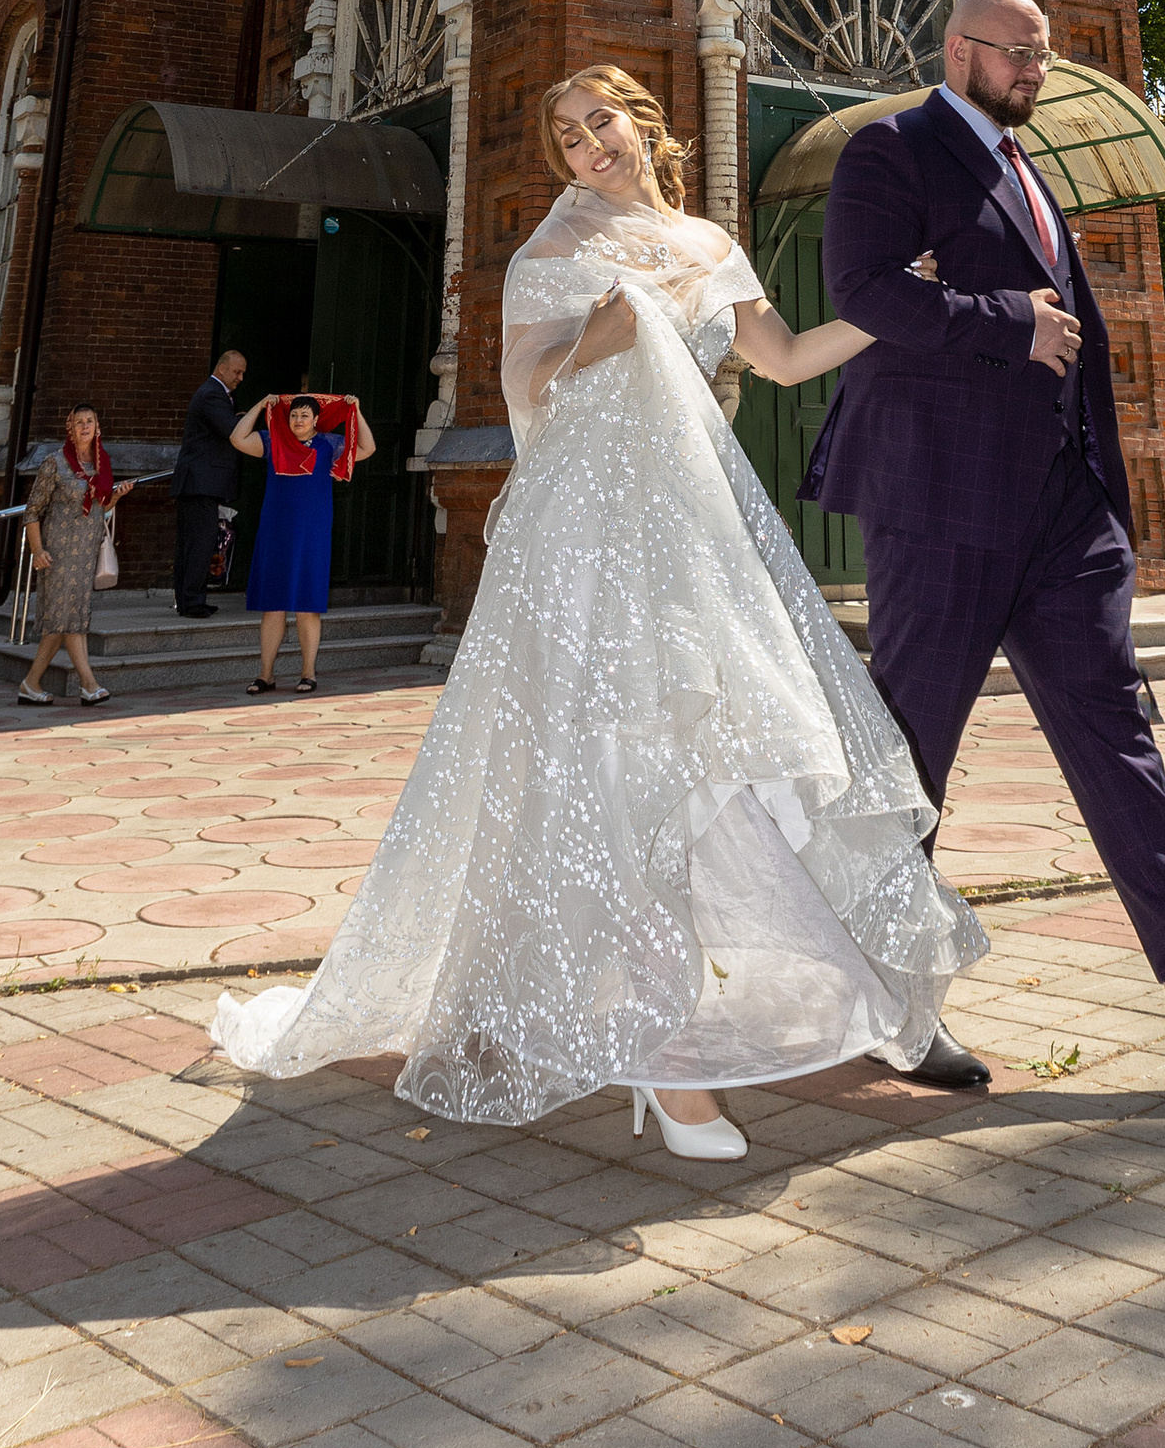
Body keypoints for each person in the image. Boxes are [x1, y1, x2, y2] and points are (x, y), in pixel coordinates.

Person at [209, 64, 979, 1160]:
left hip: (697, 538)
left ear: (643, 123)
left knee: (750, 764)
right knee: (613, 775)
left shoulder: (712, 246)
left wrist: (897, 298)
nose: (585, 147)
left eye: (598, 122)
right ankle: (665, 1064)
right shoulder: (548, 256)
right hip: (587, 549)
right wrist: (590, 344)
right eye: (564, 134)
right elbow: (525, 393)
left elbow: (789, 357)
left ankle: (852, 997)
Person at [814, 0, 1165, 1094]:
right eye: (1019, 55)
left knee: (1120, 745)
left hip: (1062, 516)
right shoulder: (892, 150)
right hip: (943, 506)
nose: (1036, 73)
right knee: (910, 765)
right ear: (960, 49)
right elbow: (863, 293)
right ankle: (893, 1009)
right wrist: (1005, 320)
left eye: (1044, 57)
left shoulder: (1032, 168)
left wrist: (1109, 501)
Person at [230, 377, 372, 693]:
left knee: (308, 604)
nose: (298, 420)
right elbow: (238, 438)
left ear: (316, 419)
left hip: (313, 531)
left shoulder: (328, 445)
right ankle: (265, 674)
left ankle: (308, 672)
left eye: (305, 415)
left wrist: (356, 412)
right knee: (273, 604)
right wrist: (262, 404)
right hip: (276, 529)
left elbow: (367, 448)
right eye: (294, 415)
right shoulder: (273, 440)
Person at [16, 408, 137, 705]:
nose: (85, 426)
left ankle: (31, 683)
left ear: (98, 427)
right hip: (58, 552)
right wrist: (38, 549)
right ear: (69, 428)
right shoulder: (55, 463)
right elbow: (32, 511)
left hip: (84, 553)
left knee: (68, 619)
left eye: (90, 421)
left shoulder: (101, 464)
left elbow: (101, 508)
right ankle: (89, 684)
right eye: (79, 422)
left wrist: (118, 495)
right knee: (70, 619)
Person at [172, 345, 248, 615]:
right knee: (200, 544)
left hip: (198, 483)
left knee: (191, 545)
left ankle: (186, 599)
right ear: (222, 368)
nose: (240, 378)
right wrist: (247, 418)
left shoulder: (216, 394)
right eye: (237, 372)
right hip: (200, 483)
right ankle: (192, 602)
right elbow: (230, 430)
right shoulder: (212, 394)